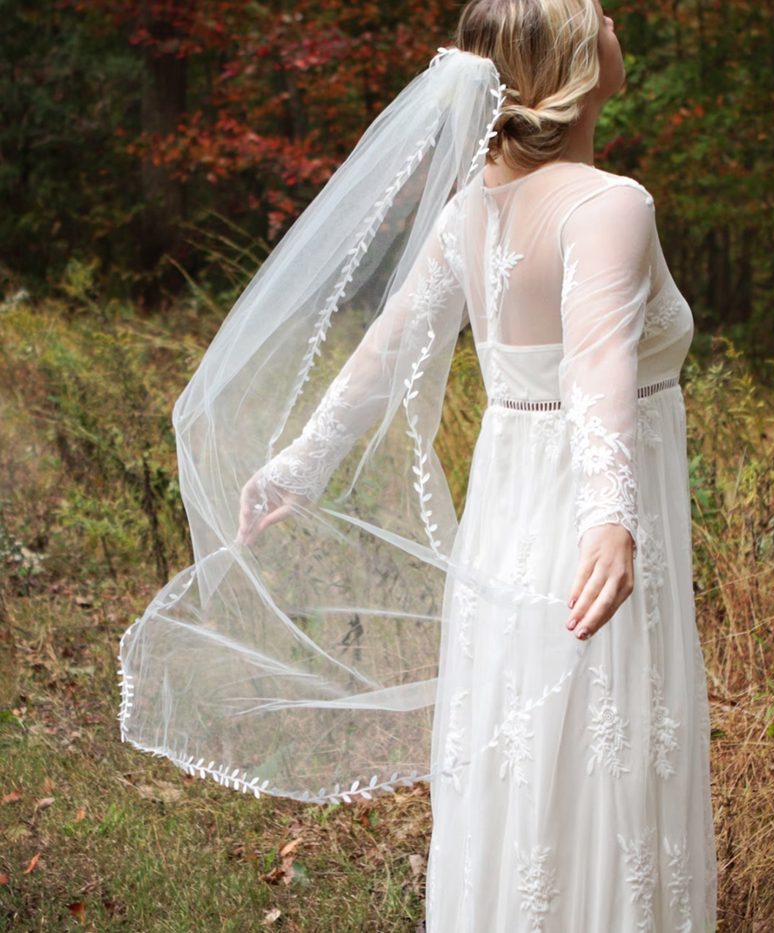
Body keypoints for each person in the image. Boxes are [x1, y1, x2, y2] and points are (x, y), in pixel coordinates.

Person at [119, 0, 716, 929]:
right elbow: (596, 365)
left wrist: (300, 464)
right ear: (565, 60)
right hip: (583, 524)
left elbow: (385, 353)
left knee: (523, 746)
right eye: (594, 12)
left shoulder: (470, 210)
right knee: (598, 748)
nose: (610, 17)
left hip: (509, 518)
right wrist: (611, 517)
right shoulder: (611, 205)